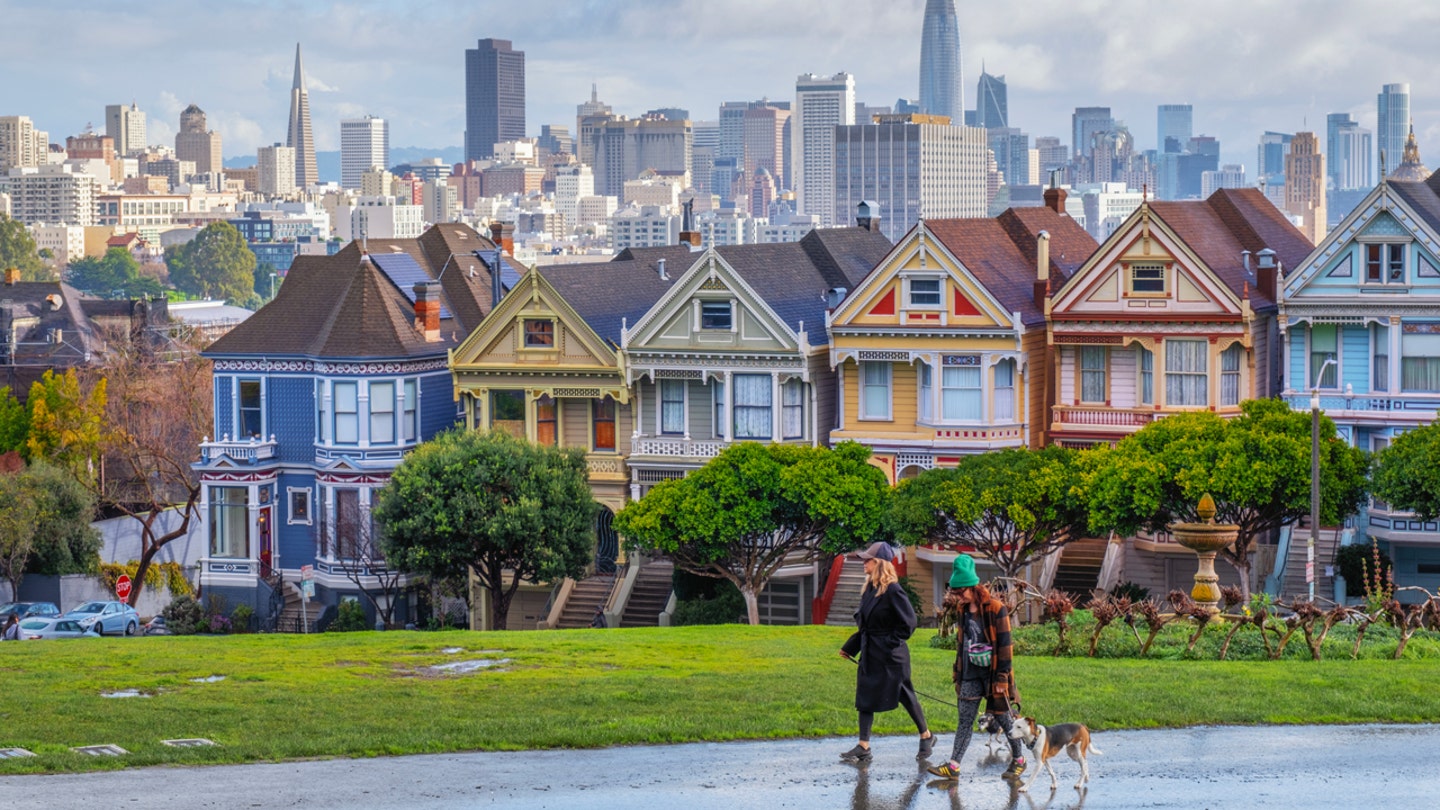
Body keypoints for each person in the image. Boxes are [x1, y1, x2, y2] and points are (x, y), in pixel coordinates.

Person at [927, 554, 1026, 782]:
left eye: (962, 591)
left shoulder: (996, 608)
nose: (959, 596)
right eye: (956, 592)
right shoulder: (962, 610)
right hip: (970, 673)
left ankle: (1019, 760)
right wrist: (957, 673)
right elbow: (961, 644)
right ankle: (953, 766)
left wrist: (1003, 678)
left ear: (973, 586)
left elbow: (1005, 646)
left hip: (993, 675)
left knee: (1004, 719)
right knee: (964, 719)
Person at [839, 541, 934, 763]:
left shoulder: (893, 590)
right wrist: (850, 647)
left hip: (892, 656)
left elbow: (909, 624)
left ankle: (926, 736)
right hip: (871, 653)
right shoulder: (870, 589)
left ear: (879, 563)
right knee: (865, 696)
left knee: (906, 696)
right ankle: (864, 746)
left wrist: (889, 643)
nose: (864, 563)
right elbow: (866, 626)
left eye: (868, 560)